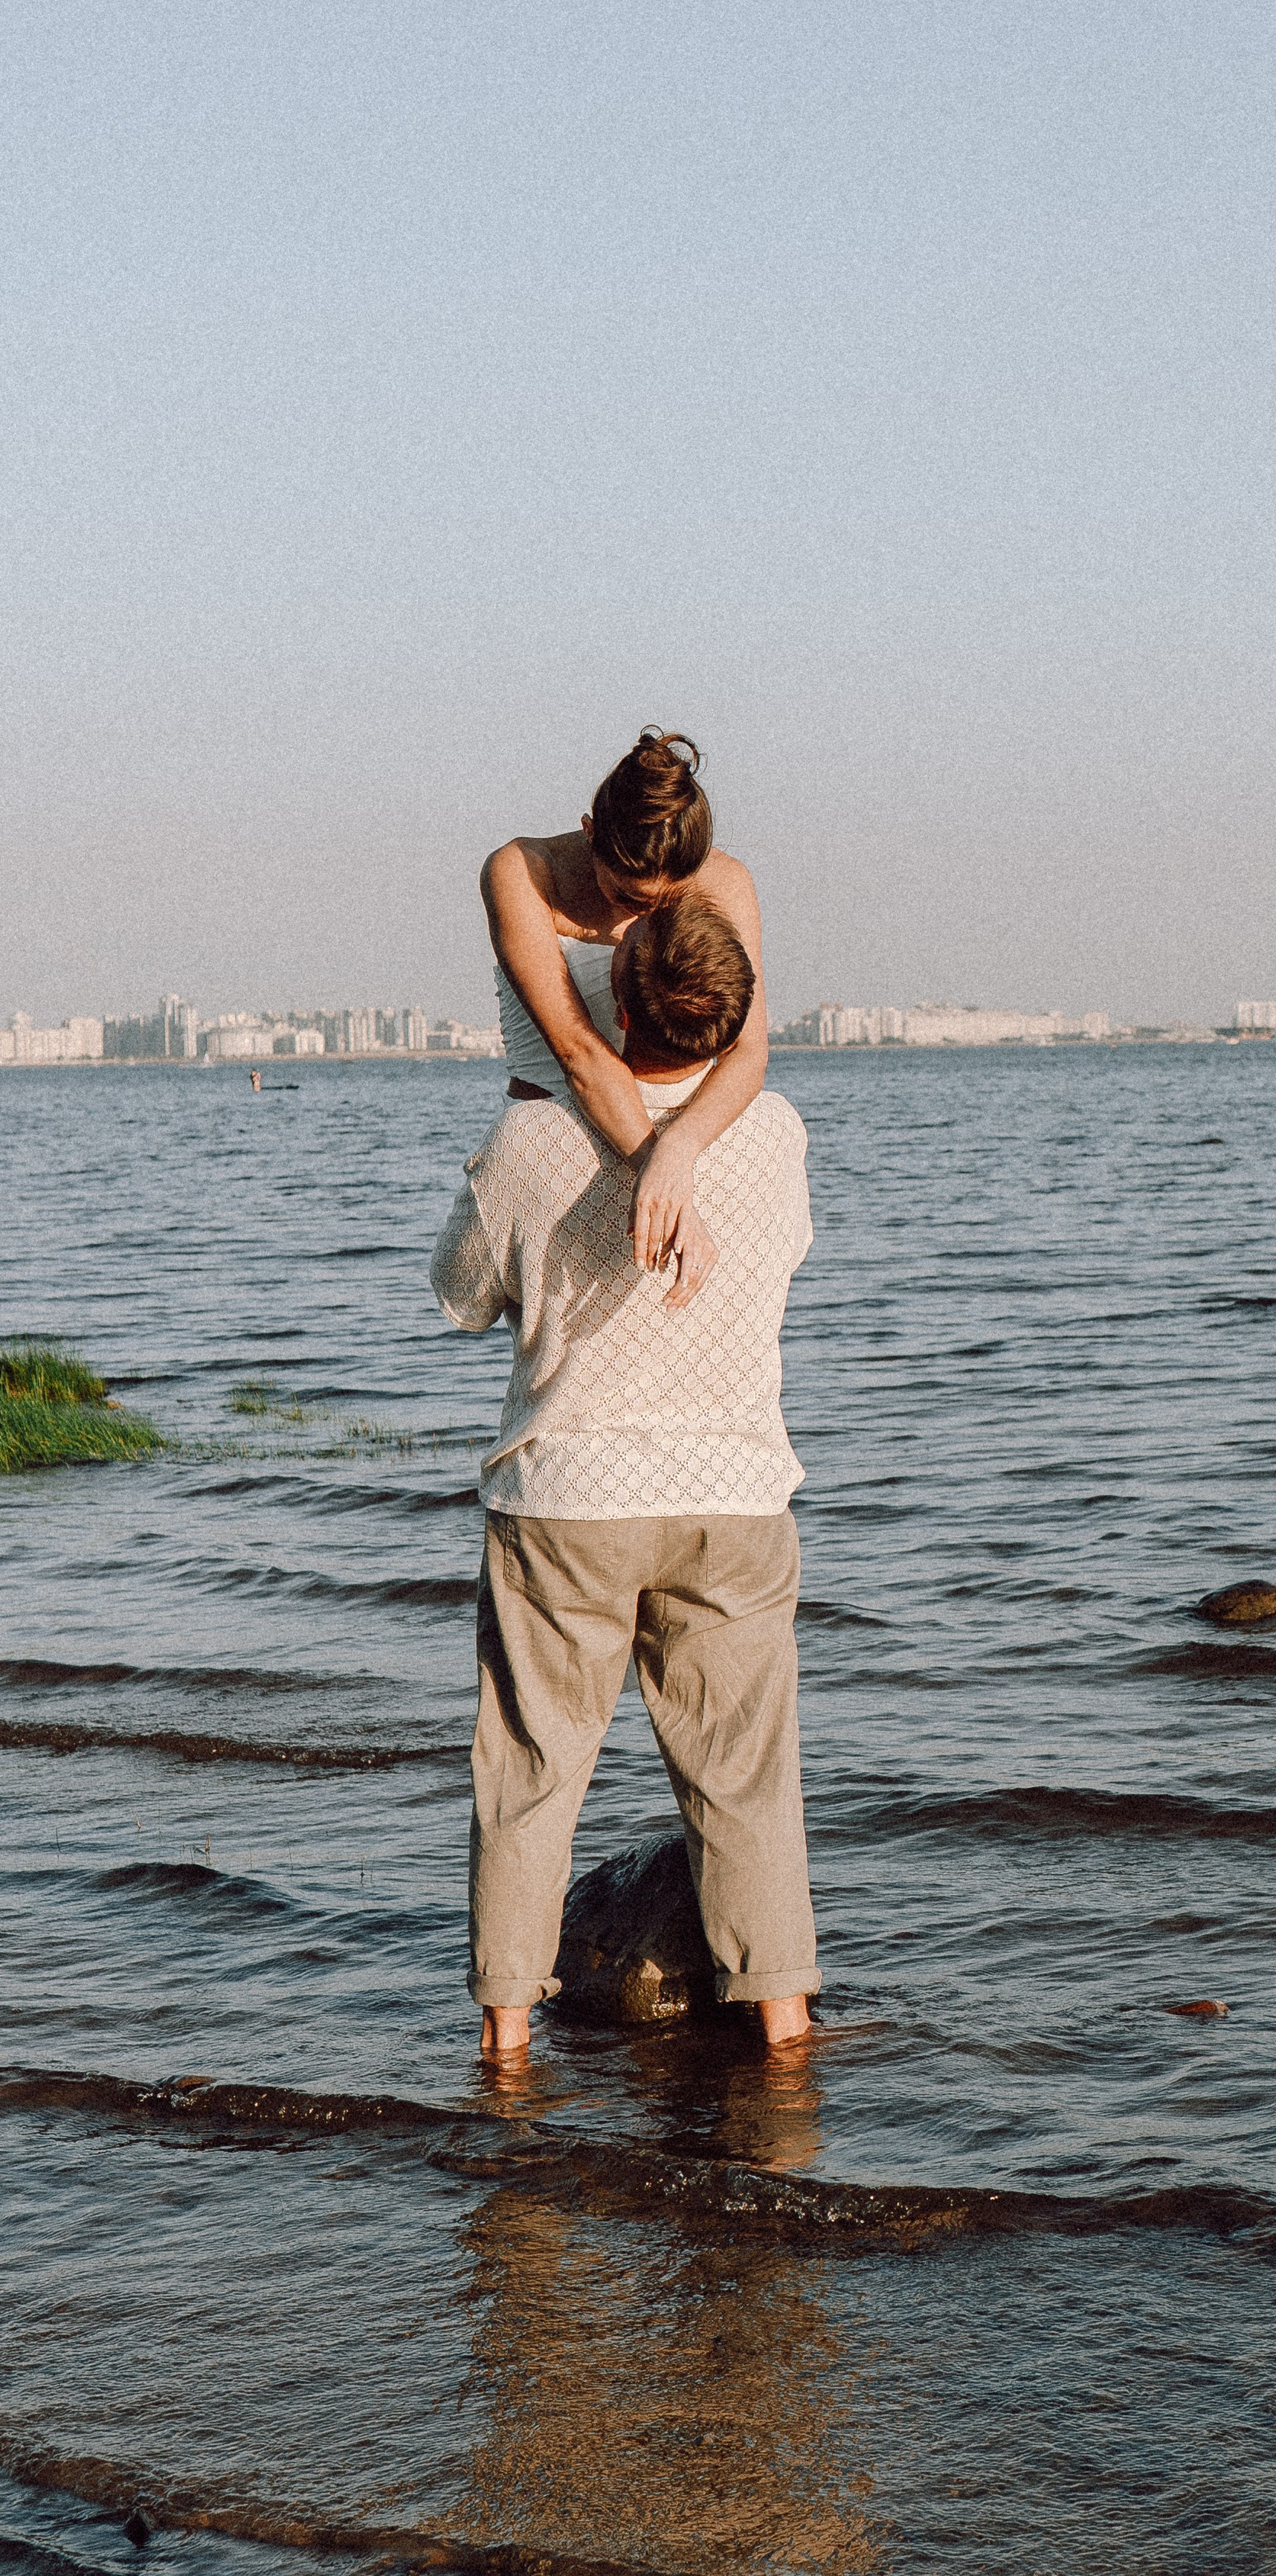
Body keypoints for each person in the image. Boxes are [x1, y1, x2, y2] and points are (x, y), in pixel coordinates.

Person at [430, 889, 821, 2063]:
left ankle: (507, 2041)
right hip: (732, 1492)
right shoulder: (777, 1133)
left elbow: (459, 1294)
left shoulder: (532, 1137)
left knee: (531, 1774)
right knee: (745, 1784)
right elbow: (784, 1258)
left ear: (617, 1008)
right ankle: (785, 2028)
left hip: (566, 1497)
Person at [480, 727, 767, 1293]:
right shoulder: (522, 871)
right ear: (591, 833)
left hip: (692, 1147)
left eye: (667, 897)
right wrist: (660, 1174)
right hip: (557, 1154)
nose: (644, 915)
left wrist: (677, 1156)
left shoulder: (726, 881)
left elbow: (749, 1050)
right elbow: (578, 1051)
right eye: (629, 896)